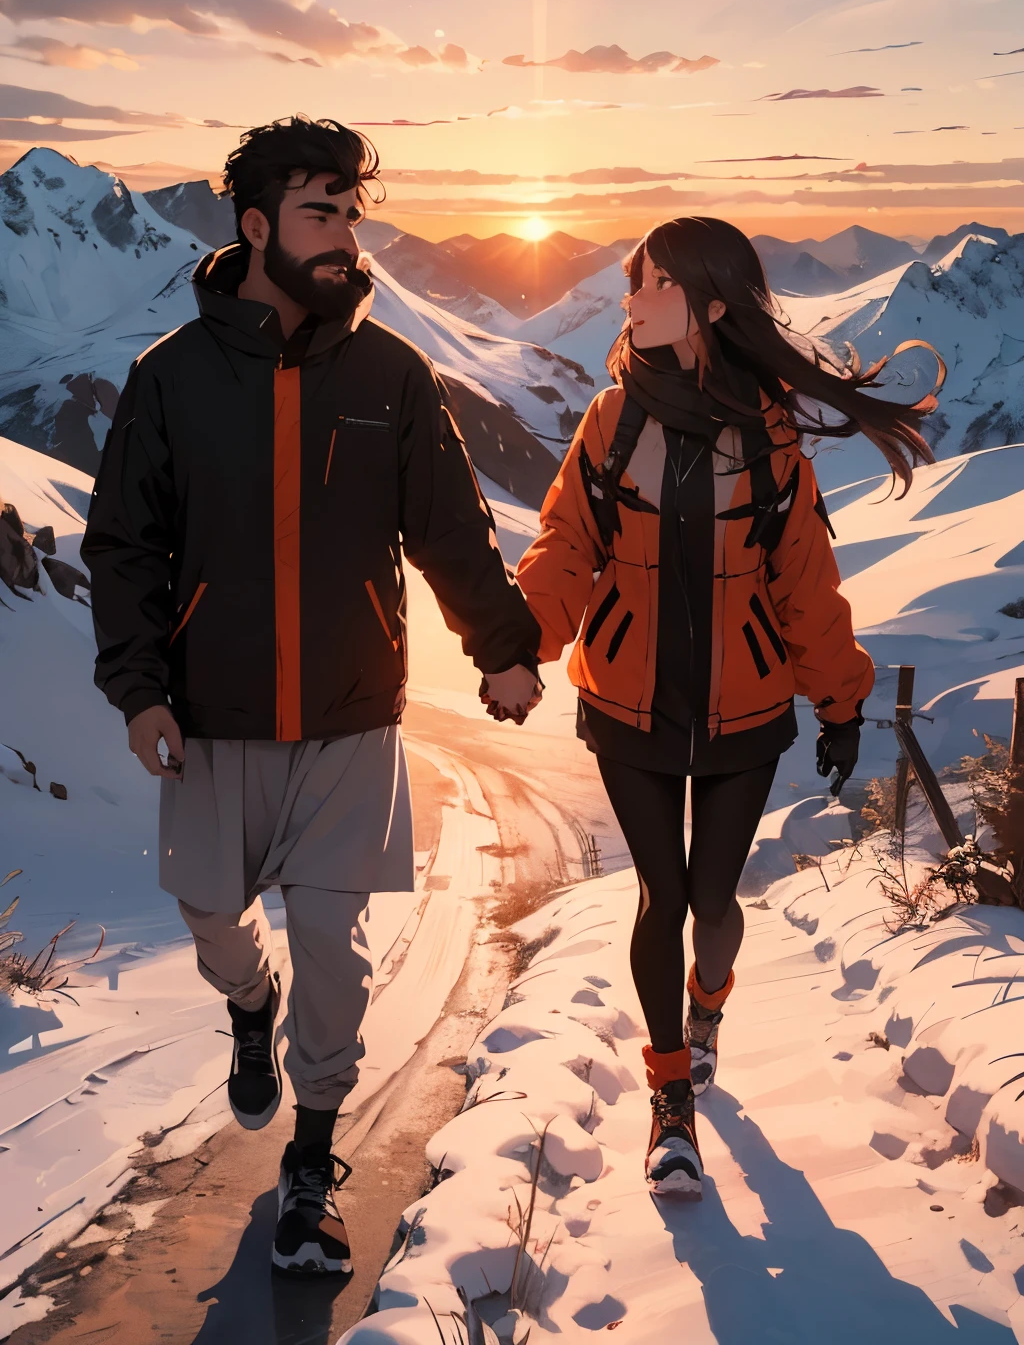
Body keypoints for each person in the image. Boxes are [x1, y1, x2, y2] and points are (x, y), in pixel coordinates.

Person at [82, 115, 541, 1275]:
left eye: (352, 212)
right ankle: (248, 1005)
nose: (346, 236)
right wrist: (139, 689)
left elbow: (449, 530)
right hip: (212, 715)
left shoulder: (391, 374)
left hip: (347, 718)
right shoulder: (170, 379)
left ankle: (311, 1164)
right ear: (255, 227)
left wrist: (499, 644)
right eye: (319, 213)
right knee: (210, 921)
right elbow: (125, 545)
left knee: (338, 953)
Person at [515, 216, 940, 1199]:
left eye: (653, 281)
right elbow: (563, 547)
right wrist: (520, 636)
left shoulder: (769, 434)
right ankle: (671, 1105)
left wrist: (840, 702)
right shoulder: (611, 420)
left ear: (709, 303)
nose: (631, 299)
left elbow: (804, 585)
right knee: (661, 897)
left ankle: (708, 1007)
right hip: (625, 707)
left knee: (713, 901)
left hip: (748, 715)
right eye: (632, 280)